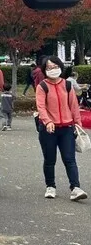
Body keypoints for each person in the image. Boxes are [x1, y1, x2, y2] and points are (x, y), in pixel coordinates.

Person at [35, 55, 87, 202]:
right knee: (50, 159)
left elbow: (74, 106)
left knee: (70, 159)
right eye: (49, 67)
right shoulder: (42, 86)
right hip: (48, 130)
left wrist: (77, 123)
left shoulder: (67, 85)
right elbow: (41, 107)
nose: (53, 70)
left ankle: (75, 188)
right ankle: (50, 186)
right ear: (45, 70)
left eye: (55, 66)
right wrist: (47, 121)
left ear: (60, 67)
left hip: (67, 128)